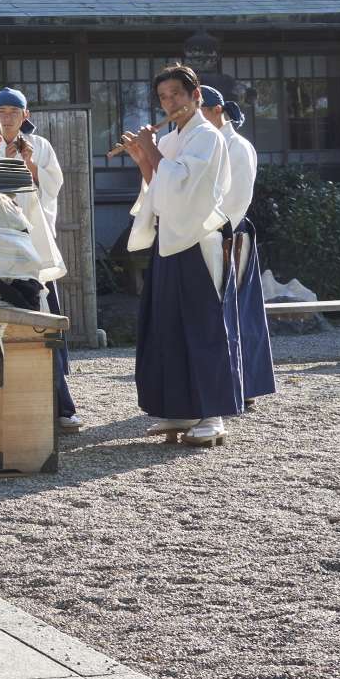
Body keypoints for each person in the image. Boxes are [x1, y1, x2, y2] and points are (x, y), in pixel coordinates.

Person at [122, 66, 245, 448]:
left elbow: (184, 185)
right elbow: (159, 186)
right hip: (168, 238)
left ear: (196, 97)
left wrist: (153, 150)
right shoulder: (175, 138)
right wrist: (141, 157)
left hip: (196, 238)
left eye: (176, 94)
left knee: (201, 324)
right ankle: (181, 408)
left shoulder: (207, 137)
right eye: (163, 97)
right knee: (166, 325)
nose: (169, 103)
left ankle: (213, 413)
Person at [0, 88, 80, 432]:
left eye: (15, 111)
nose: (8, 117)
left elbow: (52, 187)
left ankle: (60, 405)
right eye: (2, 110)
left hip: (33, 246)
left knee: (44, 323)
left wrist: (26, 160)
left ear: (26, 115)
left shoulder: (40, 146)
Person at [202, 86, 275, 407]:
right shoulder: (206, 143)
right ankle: (222, 385)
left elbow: (237, 198)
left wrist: (220, 232)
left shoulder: (238, 146)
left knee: (238, 309)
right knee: (218, 310)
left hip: (230, 233)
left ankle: (244, 387)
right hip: (206, 234)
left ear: (217, 111)